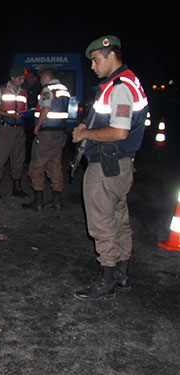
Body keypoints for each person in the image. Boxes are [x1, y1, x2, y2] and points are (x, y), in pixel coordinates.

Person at [71, 35, 149, 301]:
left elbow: (118, 132)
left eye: (95, 61)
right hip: (120, 166)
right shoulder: (127, 82)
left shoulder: (119, 87)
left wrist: (85, 135)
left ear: (110, 55)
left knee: (102, 225)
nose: (93, 67)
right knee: (118, 220)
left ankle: (106, 282)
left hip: (107, 166)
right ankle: (121, 275)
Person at [22, 66, 70, 211]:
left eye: (41, 77)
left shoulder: (47, 90)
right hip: (59, 133)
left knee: (37, 165)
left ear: (46, 77)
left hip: (47, 134)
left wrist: (37, 126)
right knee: (55, 166)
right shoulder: (64, 90)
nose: (40, 80)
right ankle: (57, 200)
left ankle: (38, 202)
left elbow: (46, 108)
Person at [0, 65, 28, 199]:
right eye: (20, 78)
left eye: (23, 78)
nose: (22, 81)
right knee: (0, 158)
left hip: (19, 129)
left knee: (18, 159)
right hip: (5, 129)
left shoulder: (24, 92)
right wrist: (11, 116)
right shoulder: (1, 90)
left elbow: (24, 108)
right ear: (12, 78)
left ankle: (17, 188)